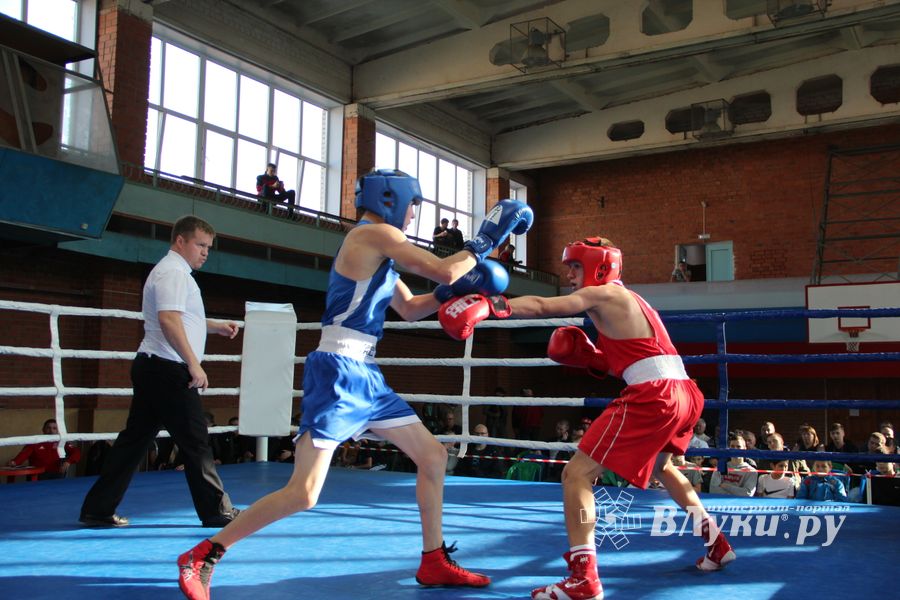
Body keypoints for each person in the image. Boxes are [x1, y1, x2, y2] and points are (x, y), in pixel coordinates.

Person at [176, 169, 532, 600]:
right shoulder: (372, 235)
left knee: (434, 457)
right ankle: (204, 554)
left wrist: (450, 295)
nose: (415, 213)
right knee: (303, 493)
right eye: (414, 204)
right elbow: (442, 268)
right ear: (391, 199)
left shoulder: (379, 249)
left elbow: (412, 309)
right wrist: (483, 242)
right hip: (339, 370)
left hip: (366, 373)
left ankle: (433, 559)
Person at [438, 236, 734, 600]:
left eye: (576, 266)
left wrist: (490, 305)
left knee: (576, 473)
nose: (569, 273)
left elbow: (546, 305)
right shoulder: (635, 301)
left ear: (600, 267)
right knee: (664, 468)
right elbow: (639, 361)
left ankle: (584, 578)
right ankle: (716, 543)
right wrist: (594, 359)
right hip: (685, 393)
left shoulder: (604, 294)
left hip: (656, 394)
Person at [79, 215, 240, 529]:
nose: (206, 252)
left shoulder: (173, 272)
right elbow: (168, 320)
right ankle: (216, 511)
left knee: (133, 442)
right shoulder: (173, 273)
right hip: (168, 369)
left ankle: (98, 509)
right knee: (195, 441)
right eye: (200, 245)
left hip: (155, 367)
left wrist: (214, 326)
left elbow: (179, 316)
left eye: (209, 247)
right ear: (180, 241)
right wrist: (194, 363)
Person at [7, 418, 82, 480]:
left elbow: (76, 452)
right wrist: (14, 462)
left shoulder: (62, 443)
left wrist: (68, 462)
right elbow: (23, 455)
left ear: (58, 431)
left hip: (56, 475)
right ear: (43, 429)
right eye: (48, 428)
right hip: (38, 476)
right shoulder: (35, 442)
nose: (51, 431)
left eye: (54, 428)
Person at [709, 433, 758, 497]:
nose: (735, 449)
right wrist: (736, 492)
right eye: (732, 446)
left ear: (744, 448)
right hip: (720, 504)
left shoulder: (751, 471)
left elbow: (747, 494)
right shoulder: (720, 467)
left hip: (739, 505)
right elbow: (713, 491)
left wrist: (725, 485)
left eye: (738, 447)